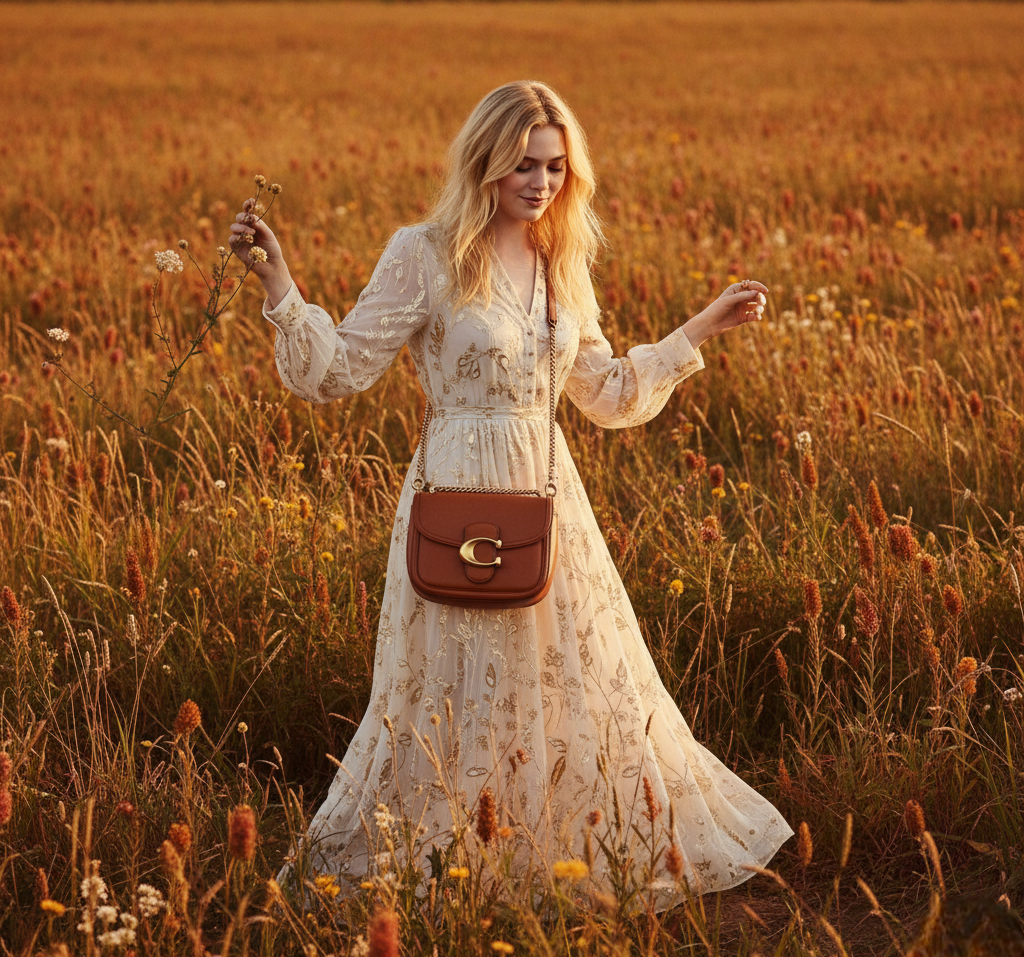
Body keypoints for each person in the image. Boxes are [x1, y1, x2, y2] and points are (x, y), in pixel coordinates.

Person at [229, 81, 792, 907]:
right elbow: (338, 369)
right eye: (524, 164)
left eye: (557, 167)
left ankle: (540, 853)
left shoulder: (562, 261)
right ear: (485, 161)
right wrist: (281, 284)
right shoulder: (422, 254)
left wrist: (698, 329)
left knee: (569, 682)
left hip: (547, 503)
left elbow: (603, 392)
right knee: (457, 685)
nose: (541, 183)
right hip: (456, 497)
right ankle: (450, 855)